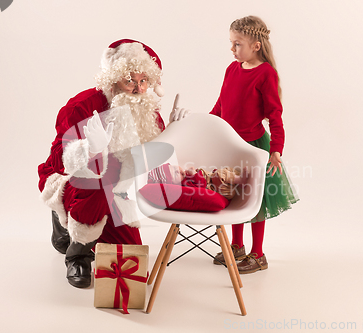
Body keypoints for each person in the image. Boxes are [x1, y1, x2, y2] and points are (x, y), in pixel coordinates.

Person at [38, 39, 188, 288]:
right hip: (79, 182)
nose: (138, 89)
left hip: (119, 191)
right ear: (114, 80)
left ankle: (74, 228)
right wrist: (92, 149)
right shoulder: (83, 105)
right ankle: (78, 254)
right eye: (130, 81)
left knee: (130, 255)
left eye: (143, 81)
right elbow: (62, 161)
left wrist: (173, 130)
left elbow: (150, 158)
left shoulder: (147, 111)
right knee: (100, 183)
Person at [210, 16, 299, 274]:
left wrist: (275, 151)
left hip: (253, 147)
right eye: (231, 43)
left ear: (256, 45)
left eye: (237, 44)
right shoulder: (232, 69)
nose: (232, 49)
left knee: (255, 199)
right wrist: (207, 124)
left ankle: (258, 254)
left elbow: (274, 115)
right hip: (231, 144)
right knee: (234, 195)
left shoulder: (265, 74)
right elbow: (221, 105)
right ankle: (236, 245)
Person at [147, 163, 249, 200]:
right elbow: (202, 185)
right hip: (223, 190)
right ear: (174, 184)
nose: (178, 170)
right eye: (175, 174)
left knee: (226, 170)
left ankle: (238, 181)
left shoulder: (186, 176)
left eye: (174, 167)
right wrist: (195, 174)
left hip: (226, 185)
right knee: (220, 173)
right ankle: (241, 180)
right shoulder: (185, 184)